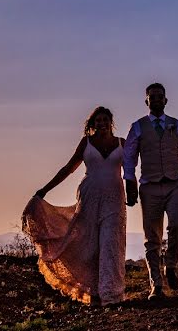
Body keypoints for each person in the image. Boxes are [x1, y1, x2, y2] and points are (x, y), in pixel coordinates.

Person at [22, 106, 127, 307]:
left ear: (111, 122)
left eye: (105, 120)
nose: (102, 123)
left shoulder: (122, 143)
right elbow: (69, 168)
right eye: (98, 120)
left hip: (114, 198)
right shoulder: (86, 143)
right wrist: (44, 190)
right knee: (90, 245)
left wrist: (133, 191)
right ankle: (94, 293)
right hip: (89, 197)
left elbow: (129, 171)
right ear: (92, 124)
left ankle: (112, 294)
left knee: (111, 244)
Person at [123, 82, 178, 300]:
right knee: (152, 238)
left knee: (177, 226)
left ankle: (171, 264)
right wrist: (129, 182)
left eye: (160, 96)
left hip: (175, 183)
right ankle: (156, 286)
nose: (156, 99)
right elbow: (129, 156)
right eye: (152, 96)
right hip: (149, 186)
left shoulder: (177, 125)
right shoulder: (138, 127)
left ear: (166, 100)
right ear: (146, 101)